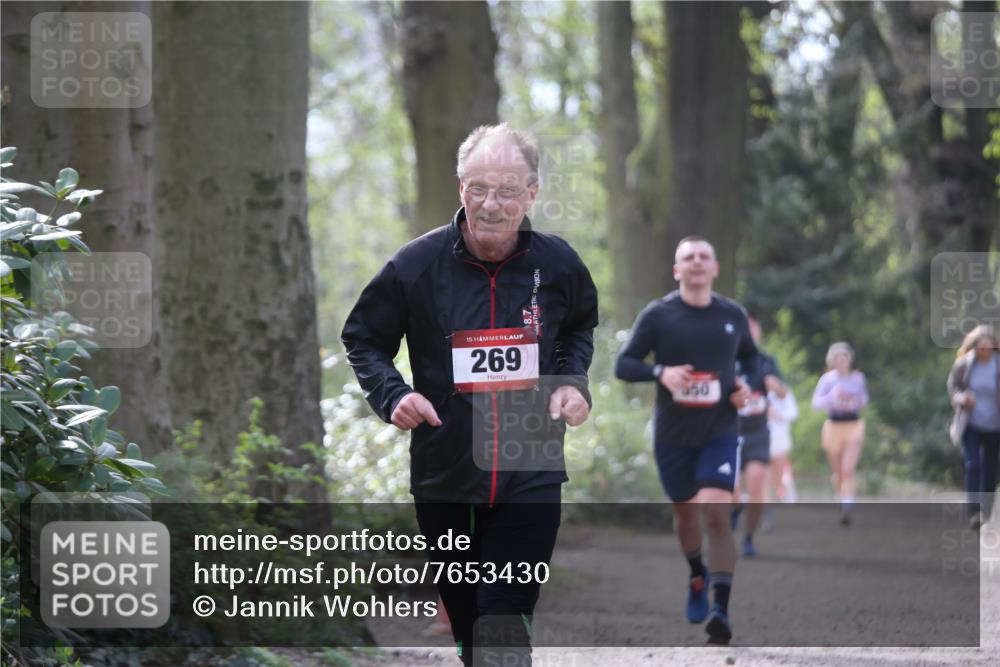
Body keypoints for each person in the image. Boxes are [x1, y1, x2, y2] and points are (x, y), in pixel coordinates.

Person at [342, 124, 598, 666]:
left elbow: (578, 328)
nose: (490, 204)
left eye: (507, 191)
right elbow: (362, 338)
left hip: (531, 468)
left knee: (503, 620)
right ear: (460, 187)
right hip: (446, 472)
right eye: (478, 188)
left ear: (531, 193)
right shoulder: (416, 264)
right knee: (469, 628)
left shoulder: (557, 265)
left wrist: (573, 383)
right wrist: (392, 396)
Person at [614, 236, 758, 646]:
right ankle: (697, 573)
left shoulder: (732, 314)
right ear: (677, 270)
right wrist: (662, 373)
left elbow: (752, 357)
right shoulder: (659, 315)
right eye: (687, 258)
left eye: (703, 257)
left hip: (721, 429)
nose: (696, 263)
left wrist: (745, 383)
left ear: (714, 268)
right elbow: (624, 365)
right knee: (687, 513)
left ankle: (720, 609)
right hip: (673, 435)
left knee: (715, 511)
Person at [732, 315, 787, 557]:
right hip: (728, 433)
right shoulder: (726, 359)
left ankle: (748, 538)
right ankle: (734, 514)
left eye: (753, 330)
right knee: (731, 493)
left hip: (757, 432)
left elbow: (784, 393)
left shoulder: (766, 361)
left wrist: (776, 386)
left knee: (756, 484)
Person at [947, 325, 1000, 531]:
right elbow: (953, 388)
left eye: (989, 347)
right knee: (973, 465)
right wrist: (962, 398)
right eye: (981, 347)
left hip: (995, 426)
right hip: (971, 424)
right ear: (974, 347)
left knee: (990, 469)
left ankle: (985, 512)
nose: (985, 351)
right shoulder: (964, 364)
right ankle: (973, 512)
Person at [811, 342, 868, 526]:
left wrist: (855, 400)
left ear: (850, 358)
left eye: (845, 356)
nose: (842, 360)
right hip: (833, 426)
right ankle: (842, 496)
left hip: (853, 425)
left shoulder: (858, 379)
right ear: (832, 360)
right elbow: (816, 403)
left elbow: (864, 400)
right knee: (838, 472)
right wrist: (832, 398)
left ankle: (847, 508)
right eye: (838, 357)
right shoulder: (827, 379)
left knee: (848, 469)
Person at [767, 384, 799, 504]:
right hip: (761, 438)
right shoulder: (755, 387)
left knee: (780, 471)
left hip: (780, 437)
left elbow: (793, 413)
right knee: (766, 472)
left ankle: (784, 496)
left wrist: (778, 415)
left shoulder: (783, 390)